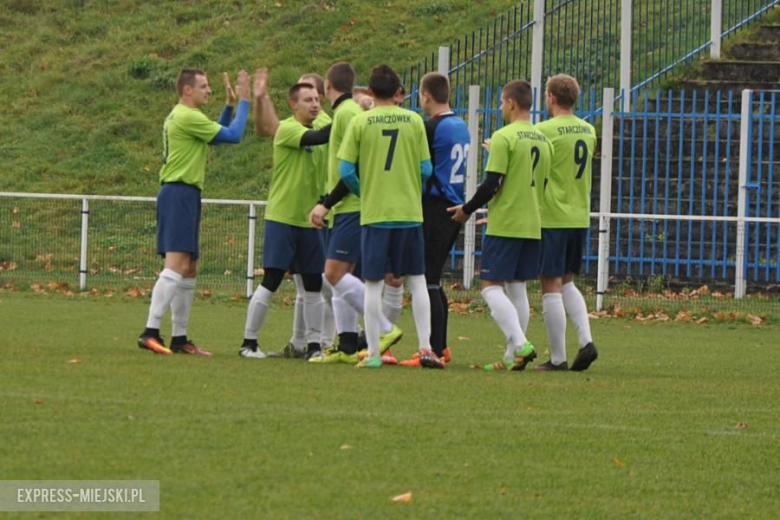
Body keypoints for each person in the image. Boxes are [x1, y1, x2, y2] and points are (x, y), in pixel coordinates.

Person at [137, 68, 250, 357]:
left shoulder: (185, 116)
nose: (208, 90)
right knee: (176, 265)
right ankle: (150, 331)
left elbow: (214, 136)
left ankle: (180, 338)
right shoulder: (186, 116)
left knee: (189, 268)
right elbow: (233, 136)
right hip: (178, 193)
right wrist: (246, 100)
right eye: (203, 85)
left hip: (184, 193)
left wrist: (228, 106)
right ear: (187, 90)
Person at [337, 64, 439, 369]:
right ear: (398, 92)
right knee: (417, 280)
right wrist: (409, 187)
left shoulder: (361, 122)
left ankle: (372, 354)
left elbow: (345, 171)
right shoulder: (414, 121)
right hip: (408, 212)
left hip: (375, 213)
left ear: (369, 92)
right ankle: (424, 348)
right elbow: (426, 169)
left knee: (373, 284)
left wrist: (364, 191)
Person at [449, 79, 551, 371]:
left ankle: (520, 344)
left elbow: (492, 183)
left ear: (510, 103)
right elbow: (541, 183)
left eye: (500, 103)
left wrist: (467, 209)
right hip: (533, 223)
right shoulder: (543, 140)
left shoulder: (504, 137)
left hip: (506, 222)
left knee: (490, 287)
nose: (499, 108)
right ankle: (512, 356)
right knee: (518, 288)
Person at [308, 62, 403, 364]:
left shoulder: (348, 113)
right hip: (344, 207)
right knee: (340, 277)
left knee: (333, 274)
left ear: (326, 85)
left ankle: (384, 329)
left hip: (350, 205)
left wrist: (329, 201)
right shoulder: (347, 111)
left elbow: (354, 164)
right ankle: (347, 345)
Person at [239, 81, 332, 359]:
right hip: (283, 217)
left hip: (309, 220)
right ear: (293, 105)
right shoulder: (288, 129)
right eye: (307, 100)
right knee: (272, 278)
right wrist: (352, 118)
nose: (314, 104)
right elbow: (319, 137)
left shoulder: (319, 126)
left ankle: (314, 346)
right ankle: (249, 343)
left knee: (314, 281)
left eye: (317, 99)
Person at [399, 72, 470, 368]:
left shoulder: (431, 127)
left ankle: (434, 348)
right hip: (454, 204)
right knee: (433, 278)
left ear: (426, 96)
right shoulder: (461, 124)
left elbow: (419, 164)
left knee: (427, 278)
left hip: (435, 205)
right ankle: (441, 346)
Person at [534, 74, 599, 371]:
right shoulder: (588, 130)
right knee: (568, 281)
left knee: (550, 283)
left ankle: (558, 358)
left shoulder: (543, 130)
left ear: (551, 98)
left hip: (552, 214)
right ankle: (586, 341)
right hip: (578, 214)